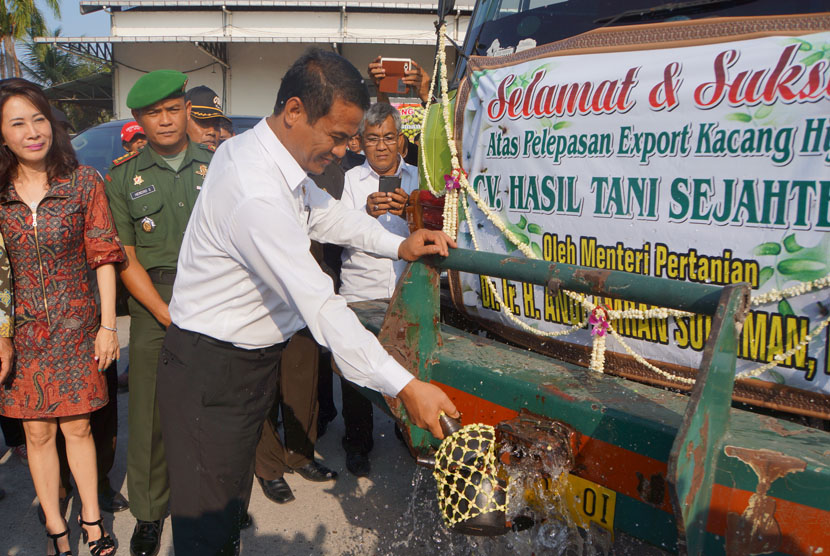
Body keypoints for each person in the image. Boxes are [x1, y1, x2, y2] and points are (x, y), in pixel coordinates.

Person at [156, 48, 458, 555]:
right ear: (294, 111)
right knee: (205, 529)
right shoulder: (254, 191)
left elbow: (327, 216)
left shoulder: (267, 156)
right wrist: (405, 386)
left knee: (227, 513)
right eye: (338, 137)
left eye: (350, 139)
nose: (344, 152)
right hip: (212, 372)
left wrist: (398, 244)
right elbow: (321, 307)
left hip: (243, 364)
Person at [0, 78, 123, 556]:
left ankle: (91, 520)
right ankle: (55, 527)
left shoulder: (83, 182)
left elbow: (105, 256)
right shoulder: (1, 194)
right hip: (24, 335)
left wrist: (108, 326)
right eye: (18, 123)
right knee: (35, 432)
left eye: (39, 119)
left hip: (77, 329)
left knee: (77, 427)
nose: (33, 131)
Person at [104, 69, 215, 556]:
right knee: (148, 414)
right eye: (155, 113)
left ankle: (215, 501)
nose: (166, 121)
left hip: (214, 299)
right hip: (154, 303)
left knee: (211, 411)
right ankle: (149, 514)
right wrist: (167, 314)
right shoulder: (123, 178)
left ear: (186, 110)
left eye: (173, 109)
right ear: (138, 119)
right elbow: (125, 257)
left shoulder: (218, 166)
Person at [337, 103, 418, 476]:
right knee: (357, 372)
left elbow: (435, 228)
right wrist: (362, 216)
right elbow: (334, 230)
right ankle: (357, 442)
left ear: (400, 140)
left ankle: (407, 431)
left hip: (406, 289)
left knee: (406, 364)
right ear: (360, 143)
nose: (382, 146)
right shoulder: (349, 182)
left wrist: (411, 214)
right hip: (361, 290)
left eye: (388, 137)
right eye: (373, 139)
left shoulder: (419, 178)